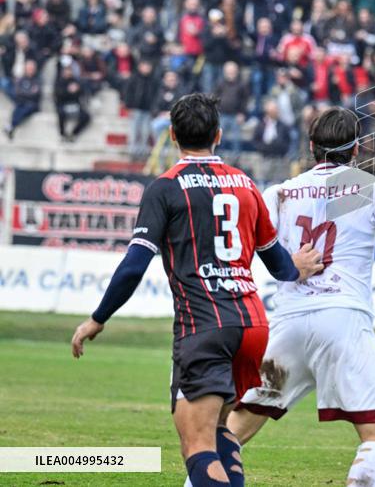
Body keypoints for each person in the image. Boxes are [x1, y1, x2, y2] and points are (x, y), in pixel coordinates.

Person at [70, 93, 323, 487]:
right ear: (218, 136)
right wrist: (299, 268)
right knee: (222, 430)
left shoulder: (166, 188)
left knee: (196, 443)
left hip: (204, 325)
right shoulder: (245, 184)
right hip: (253, 326)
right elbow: (278, 264)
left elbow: (134, 265)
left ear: (172, 135)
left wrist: (97, 318)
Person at [227, 107, 375, 487]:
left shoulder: (279, 193)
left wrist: (288, 264)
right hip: (343, 324)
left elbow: (240, 251)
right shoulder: (371, 187)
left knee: (233, 431)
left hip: (287, 327)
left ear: (313, 147)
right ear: (357, 150)